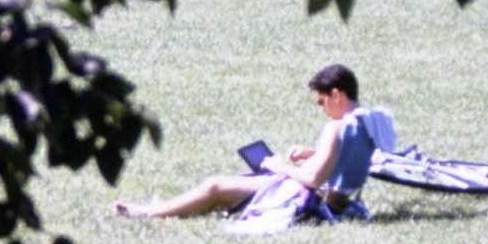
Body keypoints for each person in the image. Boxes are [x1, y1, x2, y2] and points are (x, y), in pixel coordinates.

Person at [114, 64, 374, 219]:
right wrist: (314, 154)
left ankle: (148, 212)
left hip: (305, 198)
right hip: (329, 200)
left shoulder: (336, 127)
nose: (322, 109)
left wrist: (280, 166)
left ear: (336, 95)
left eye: (322, 101)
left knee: (215, 186)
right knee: (231, 184)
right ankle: (167, 207)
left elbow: (314, 180)